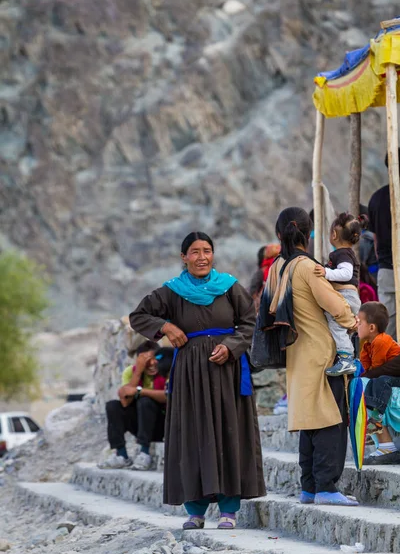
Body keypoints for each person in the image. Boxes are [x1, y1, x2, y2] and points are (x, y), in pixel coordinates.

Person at [129, 232, 265, 530]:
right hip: (190, 374)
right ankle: (196, 510)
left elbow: (249, 321)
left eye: (206, 251)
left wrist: (231, 346)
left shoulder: (229, 287)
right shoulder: (171, 292)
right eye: (194, 252)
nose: (201, 257)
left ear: (213, 255)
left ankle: (229, 510)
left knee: (230, 432)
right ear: (184, 257)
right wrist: (165, 326)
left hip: (227, 371)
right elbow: (138, 316)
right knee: (193, 434)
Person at [263, 207, 358, 505]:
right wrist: (351, 320)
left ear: (280, 235)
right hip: (321, 352)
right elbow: (335, 305)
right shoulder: (305, 266)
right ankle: (328, 488)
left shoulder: (276, 268)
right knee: (330, 419)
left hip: (295, 353)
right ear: (308, 233)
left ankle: (310, 488)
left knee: (309, 421)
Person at [99, 341, 168, 471]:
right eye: (146, 361)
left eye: (155, 359)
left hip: (163, 424)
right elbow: (125, 402)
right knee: (113, 406)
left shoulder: (166, 369)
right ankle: (122, 455)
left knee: (145, 400)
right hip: (141, 424)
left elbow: (168, 396)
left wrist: (140, 391)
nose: (152, 364)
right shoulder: (131, 372)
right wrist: (138, 372)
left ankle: (144, 453)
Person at [314, 213, 362, 377]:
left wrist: (326, 272)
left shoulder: (341, 254)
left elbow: (346, 274)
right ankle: (346, 355)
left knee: (335, 322)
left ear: (334, 234)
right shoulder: (346, 253)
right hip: (350, 297)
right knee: (340, 327)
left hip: (346, 296)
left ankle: (346, 359)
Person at [357, 302, 400, 438]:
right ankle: (374, 430)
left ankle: (376, 420)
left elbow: (377, 368)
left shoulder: (381, 341)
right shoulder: (367, 346)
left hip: (394, 376)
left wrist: (365, 375)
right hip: (387, 375)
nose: (356, 326)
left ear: (371, 327)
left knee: (379, 381)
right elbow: (365, 368)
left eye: (359, 323)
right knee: (371, 380)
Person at [368, 151, 399, 339]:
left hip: (386, 268)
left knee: (389, 323)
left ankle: (389, 365)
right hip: (388, 266)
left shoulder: (377, 198)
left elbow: (376, 237)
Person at [249, 244, 280, 311]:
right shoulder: (262, 270)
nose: (270, 249)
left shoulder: (276, 262)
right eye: (267, 250)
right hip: (265, 304)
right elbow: (253, 290)